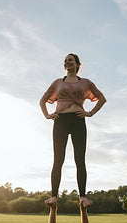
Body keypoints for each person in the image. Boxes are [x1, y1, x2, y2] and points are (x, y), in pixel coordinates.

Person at [39, 53, 106, 208]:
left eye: (70, 60)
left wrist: (90, 113)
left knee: (80, 159)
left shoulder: (86, 82)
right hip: (60, 121)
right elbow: (42, 101)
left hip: (78, 120)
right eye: (65, 61)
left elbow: (102, 98)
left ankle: (82, 197)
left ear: (77, 64)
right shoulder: (57, 83)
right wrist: (48, 115)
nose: (67, 62)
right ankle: (54, 196)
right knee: (58, 159)